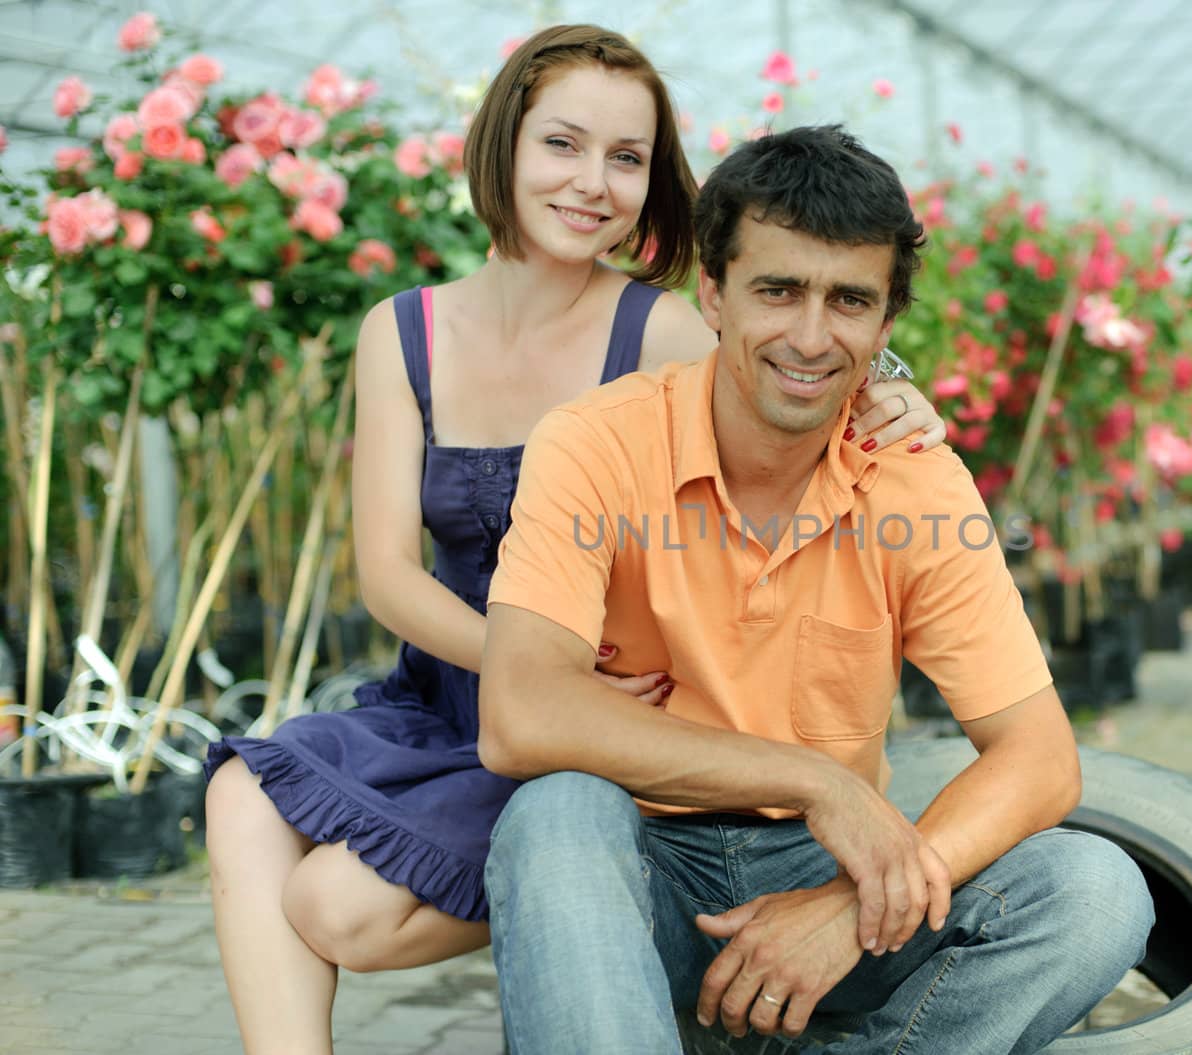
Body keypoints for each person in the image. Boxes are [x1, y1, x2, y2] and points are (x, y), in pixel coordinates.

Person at [201, 27, 946, 1055]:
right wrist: (522, 660)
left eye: (627, 158)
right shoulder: (402, 331)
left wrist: (896, 386)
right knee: (241, 788)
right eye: (563, 144)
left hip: (611, 718)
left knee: (336, 907)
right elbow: (383, 570)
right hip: (459, 685)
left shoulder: (661, 329)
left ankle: (621, 916)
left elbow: (801, 362)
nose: (592, 182)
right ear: (503, 144)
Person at [478, 124, 1155, 1055]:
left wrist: (846, 905)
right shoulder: (595, 444)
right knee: (553, 813)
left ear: (884, 326)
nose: (810, 334)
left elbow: (1040, 759)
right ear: (712, 293)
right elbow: (519, 712)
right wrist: (817, 780)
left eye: (848, 301)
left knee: (1092, 890)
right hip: (641, 867)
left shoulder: (917, 482)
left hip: (834, 875)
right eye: (778, 289)